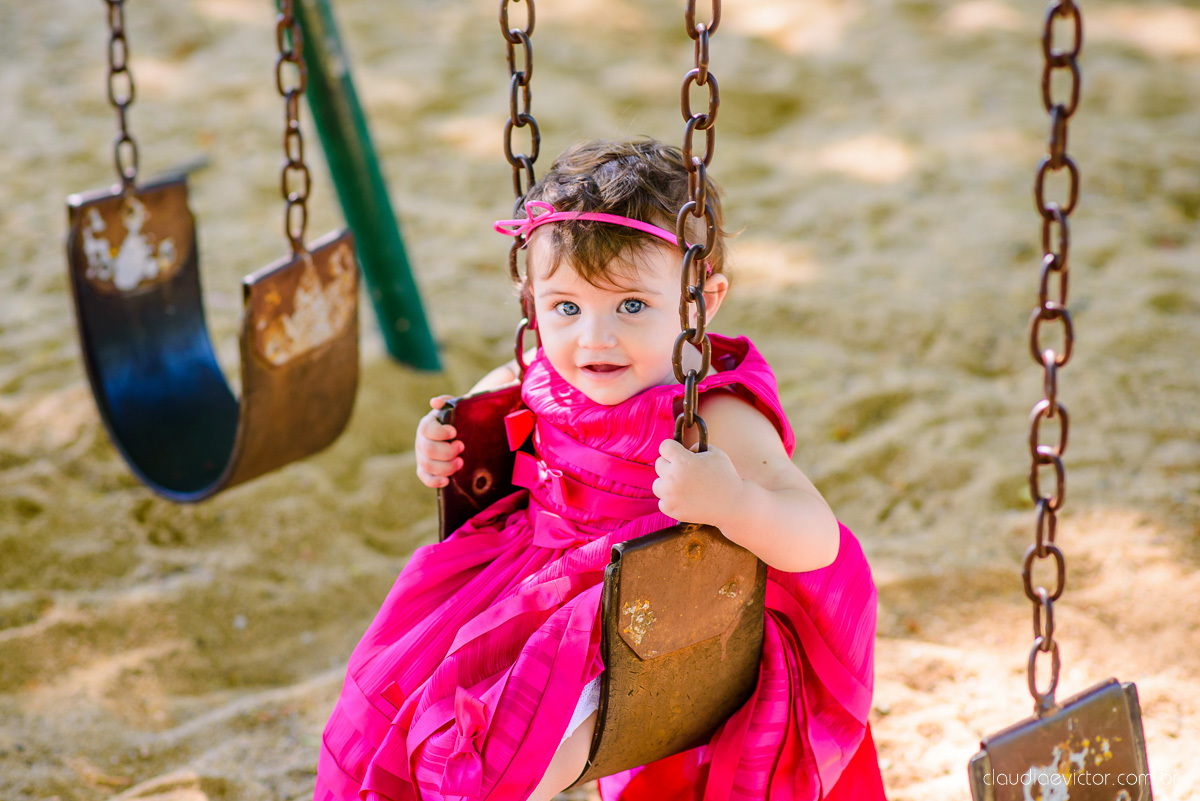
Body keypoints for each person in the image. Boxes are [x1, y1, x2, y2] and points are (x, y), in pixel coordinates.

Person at [314, 138, 886, 801]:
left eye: (632, 306)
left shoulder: (715, 415)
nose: (594, 337)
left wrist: (733, 502)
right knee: (399, 700)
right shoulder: (545, 370)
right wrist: (437, 441)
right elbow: (495, 394)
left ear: (702, 301)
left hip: (662, 612)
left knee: (502, 753)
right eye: (565, 307)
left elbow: (818, 537)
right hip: (539, 578)